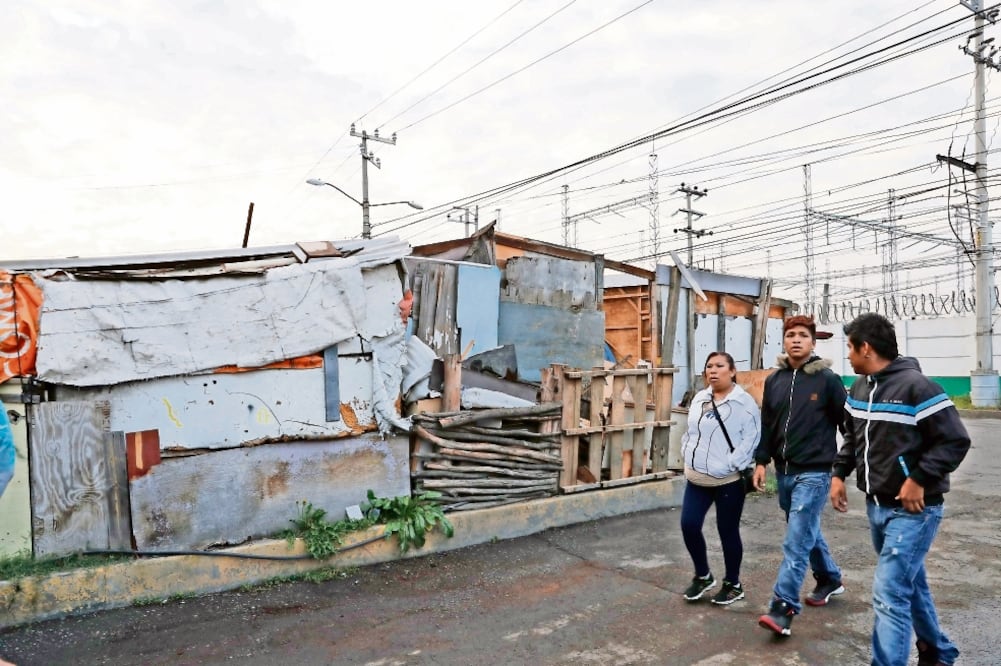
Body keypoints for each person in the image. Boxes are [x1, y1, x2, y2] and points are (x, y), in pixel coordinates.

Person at [830, 313, 970, 666]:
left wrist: (918, 478)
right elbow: (852, 437)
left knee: (889, 592)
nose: (847, 355)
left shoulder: (919, 389)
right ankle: (937, 652)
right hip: (877, 508)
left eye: (850, 347)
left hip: (915, 512)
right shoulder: (860, 388)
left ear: (866, 348)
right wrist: (838, 475)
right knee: (911, 583)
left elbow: (954, 441)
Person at [754, 315, 847, 636]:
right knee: (805, 529)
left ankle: (783, 607)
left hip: (816, 472)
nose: (796, 340)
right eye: (790, 335)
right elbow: (767, 424)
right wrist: (761, 461)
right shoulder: (775, 380)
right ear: (784, 340)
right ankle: (829, 577)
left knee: (796, 541)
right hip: (785, 472)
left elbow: (848, 425)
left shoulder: (828, 381)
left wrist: (842, 471)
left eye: (802, 336)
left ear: (812, 342)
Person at [679, 351, 761, 605]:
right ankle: (703, 576)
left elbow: (751, 439)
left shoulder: (743, 403)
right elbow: (690, 432)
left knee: (727, 531)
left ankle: (733, 584)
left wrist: (729, 465)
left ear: (732, 371)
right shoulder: (700, 398)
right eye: (709, 366)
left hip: (727, 481)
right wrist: (686, 454)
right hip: (696, 478)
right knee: (689, 525)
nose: (712, 371)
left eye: (719, 366)